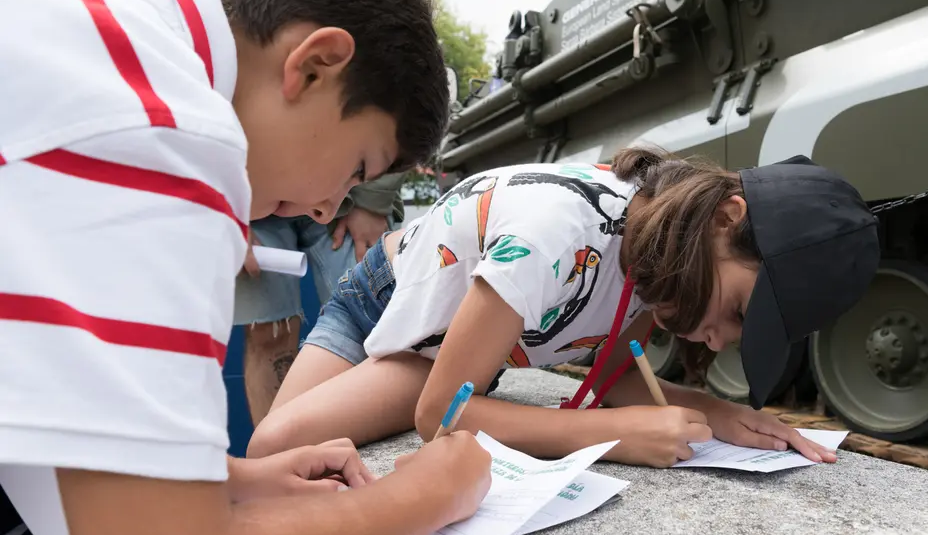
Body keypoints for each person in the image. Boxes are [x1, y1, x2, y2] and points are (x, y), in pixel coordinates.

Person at [0, 0, 491, 535]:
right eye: (355, 168)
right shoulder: (163, 123)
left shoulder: (102, 22)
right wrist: (428, 493)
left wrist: (224, 478)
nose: (327, 208)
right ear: (314, 66)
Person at [247, 149, 881, 465]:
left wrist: (715, 412)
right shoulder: (561, 231)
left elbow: (615, 374)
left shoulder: (657, 257)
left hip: (456, 345)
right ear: (724, 218)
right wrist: (612, 437)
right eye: (740, 312)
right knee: (275, 447)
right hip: (383, 304)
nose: (718, 343)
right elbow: (442, 412)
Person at [237, 172, 408, 425]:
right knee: (267, 334)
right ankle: (276, 455)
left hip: (351, 186)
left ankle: (385, 457)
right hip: (253, 195)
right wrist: (227, 204)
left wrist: (374, 198)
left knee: (381, 325)